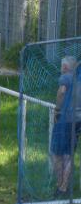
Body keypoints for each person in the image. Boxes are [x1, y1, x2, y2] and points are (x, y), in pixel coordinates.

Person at [51, 56, 78, 197]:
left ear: (66, 67)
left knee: (57, 153)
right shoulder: (78, 79)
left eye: (62, 65)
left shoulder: (66, 77)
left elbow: (62, 92)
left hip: (64, 120)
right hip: (77, 121)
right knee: (69, 154)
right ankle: (65, 187)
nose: (61, 68)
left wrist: (57, 109)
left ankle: (59, 183)